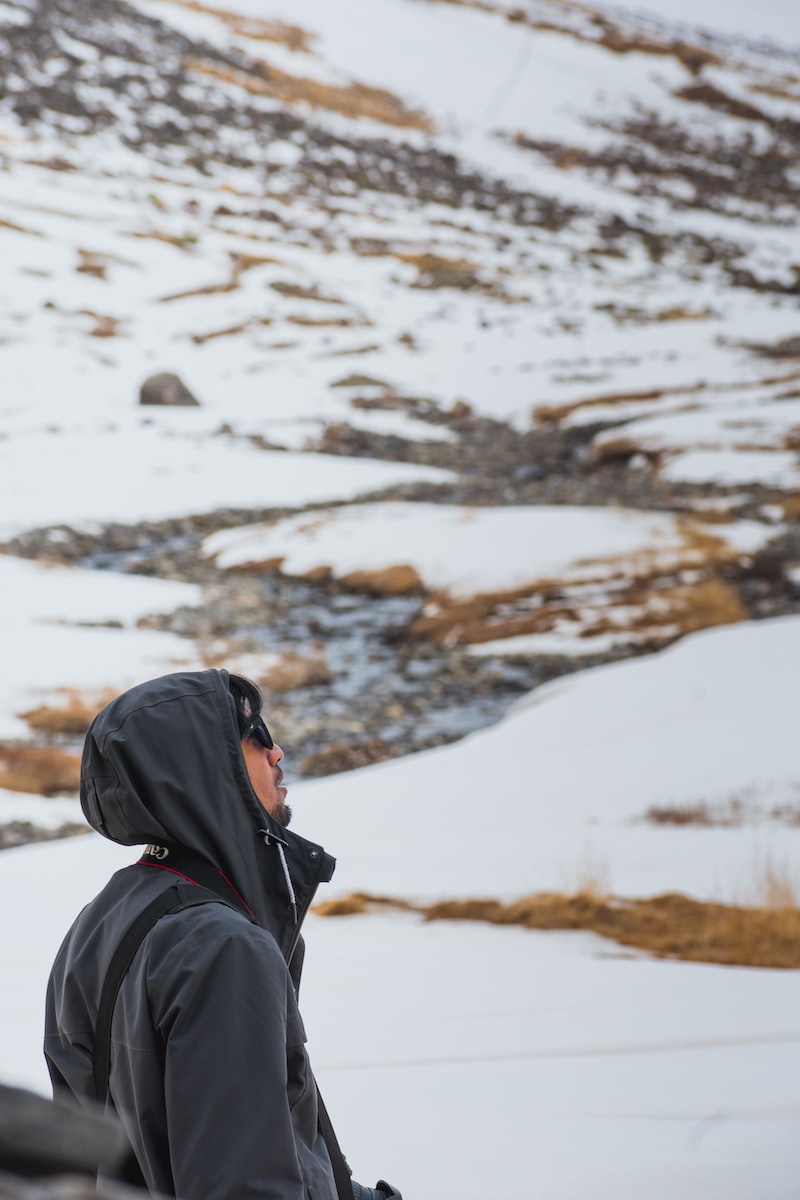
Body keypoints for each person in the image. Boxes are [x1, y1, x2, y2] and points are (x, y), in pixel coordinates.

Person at [44, 669, 401, 1200]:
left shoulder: (100, 920)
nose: (277, 752)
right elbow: (244, 1185)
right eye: (256, 735)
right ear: (204, 766)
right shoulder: (221, 946)